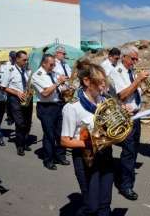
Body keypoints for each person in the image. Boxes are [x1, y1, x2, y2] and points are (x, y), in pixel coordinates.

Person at [61, 58, 114, 216]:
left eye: (104, 82)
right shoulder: (72, 107)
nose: (104, 86)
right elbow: (65, 141)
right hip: (86, 159)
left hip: (106, 155)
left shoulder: (105, 102)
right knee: (91, 206)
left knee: (105, 205)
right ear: (86, 81)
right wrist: (92, 143)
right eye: (100, 82)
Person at [109, 45, 149, 200]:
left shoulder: (130, 72)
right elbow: (123, 95)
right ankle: (126, 186)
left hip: (136, 115)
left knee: (133, 151)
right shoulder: (117, 72)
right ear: (123, 57)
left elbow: (133, 92)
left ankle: (127, 179)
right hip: (125, 117)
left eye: (136, 58)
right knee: (128, 151)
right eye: (133, 58)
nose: (136, 61)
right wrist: (138, 81)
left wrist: (141, 87)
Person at [32, 54, 70, 170]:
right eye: (51, 64)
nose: (53, 66)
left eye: (54, 64)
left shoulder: (53, 73)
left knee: (60, 133)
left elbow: (59, 89)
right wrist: (58, 83)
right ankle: (48, 160)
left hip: (58, 105)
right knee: (49, 135)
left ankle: (60, 156)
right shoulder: (37, 75)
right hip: (46, 107)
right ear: (44, 63)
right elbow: (45, 93)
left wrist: (67, 88)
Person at [0, 50, 33, 156]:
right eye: (24, 60)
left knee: (28, 122)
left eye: (27, 59)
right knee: (20, 123)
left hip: (27, 98)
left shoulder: (26, 70)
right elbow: (3, 87)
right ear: (17, 59)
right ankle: (19, 145)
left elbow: (29, 84)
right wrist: (17, 92)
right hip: (15, 99)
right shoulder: (9, 70)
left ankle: (24, 142)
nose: (26, 61)